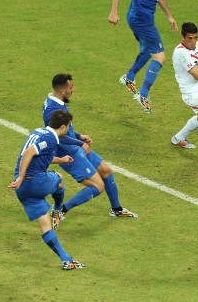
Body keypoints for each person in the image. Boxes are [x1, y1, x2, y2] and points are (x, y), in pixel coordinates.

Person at [43, 73, 137, 229]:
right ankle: (61, 210)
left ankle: (117, 209)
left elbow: (64, 129)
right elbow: (56, 136)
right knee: (97, 186)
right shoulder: (52, 109)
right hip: (67, 154)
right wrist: (79, 143)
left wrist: (79, 136)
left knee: (106, 171)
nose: (73, 90)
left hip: (74, 148)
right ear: (62, 90)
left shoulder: (57, 102)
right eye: (71, 87)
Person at [8, 110, 85, 270]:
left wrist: (61, 159)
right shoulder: (50, 138)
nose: (69, 129)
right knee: (58, 178)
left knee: (45, 224)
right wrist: (22, 176)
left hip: (22, 190)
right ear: (63, 126)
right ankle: (57, 209)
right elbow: (29, 153)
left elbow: (41, 156)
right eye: (69, 126)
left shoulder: (38, 132)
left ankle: (66, 259)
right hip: (36, 182)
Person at [108, 0, 178, 114]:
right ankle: (143, 95)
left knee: (148, 50)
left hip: (143, 19)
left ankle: (129, 77)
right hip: (140, 20)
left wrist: (169, 16)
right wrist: (113, 12)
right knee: (160, 57)